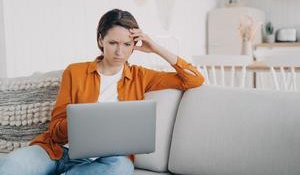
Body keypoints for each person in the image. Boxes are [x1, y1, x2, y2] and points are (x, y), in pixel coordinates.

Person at [0, 9, 204, 175]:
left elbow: (194, 79)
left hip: (106, 162)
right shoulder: (75, 72)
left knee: (121, 168)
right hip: (55, 151)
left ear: (135, 44)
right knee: (9, 166)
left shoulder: (142, 76)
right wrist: (82, 125)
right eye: (113, 43)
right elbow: (55, 128)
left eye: (127, 44)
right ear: (100, 41)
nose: (120, 52)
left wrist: (156, 48)